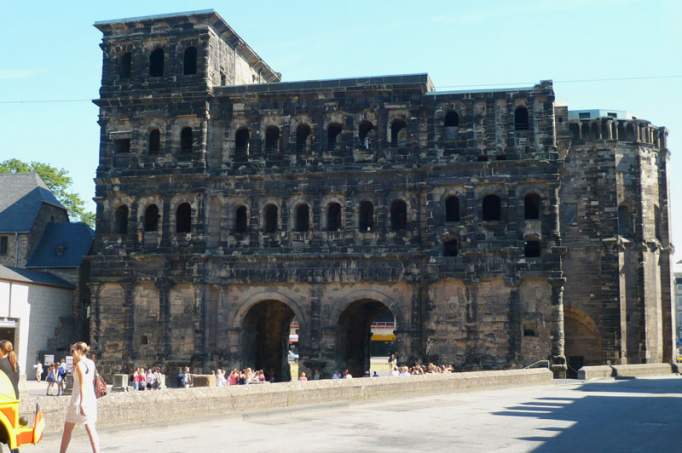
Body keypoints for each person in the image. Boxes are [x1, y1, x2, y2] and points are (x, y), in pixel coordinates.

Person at [59, 342, 100, 453]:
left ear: (79, 351)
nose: (72, 353)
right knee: (91, 429)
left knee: (67, 429)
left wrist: (81, 402)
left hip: (79, 399)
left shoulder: (79, 364)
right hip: (90, 398)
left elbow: (81, 384)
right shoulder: (91, 363)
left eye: (73, 351)